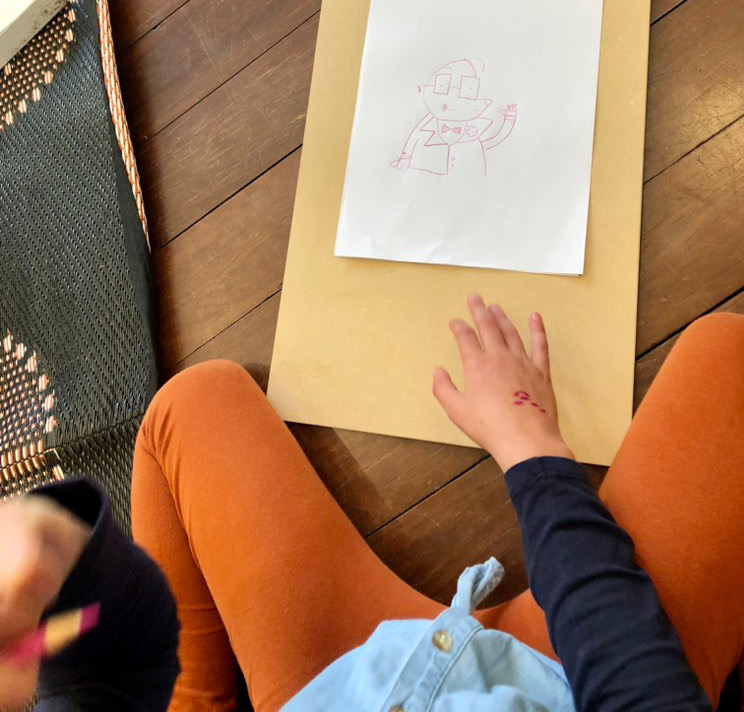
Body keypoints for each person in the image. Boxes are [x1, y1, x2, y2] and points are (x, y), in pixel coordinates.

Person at [0, 298, 742, 711]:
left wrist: (71, 587)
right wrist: (530, 447)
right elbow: (640, 685)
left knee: (191, 406)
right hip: (568, 680)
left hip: (333, 685)